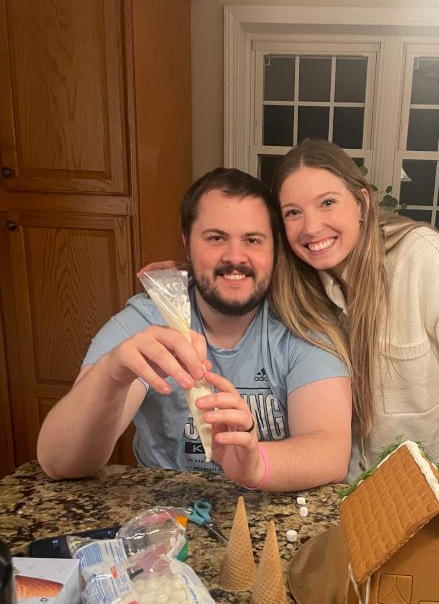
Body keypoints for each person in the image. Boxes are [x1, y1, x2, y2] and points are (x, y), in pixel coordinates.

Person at [37, 168, 352, 491]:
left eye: (253, 240)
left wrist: (255, 465)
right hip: (164, 523)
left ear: (274, 250)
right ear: (187, 244)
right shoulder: (146, 322)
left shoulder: (301, 327)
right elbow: (60, 463)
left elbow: (330, 452)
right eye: (216, 238)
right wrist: (112, 374)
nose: (234, 257)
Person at [269, 139, 439, 527]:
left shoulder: (423, 259)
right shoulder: (299, 287)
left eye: (327, 203)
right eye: (293, 212)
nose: (311, 227)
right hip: (356, 487)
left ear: (362, 202)